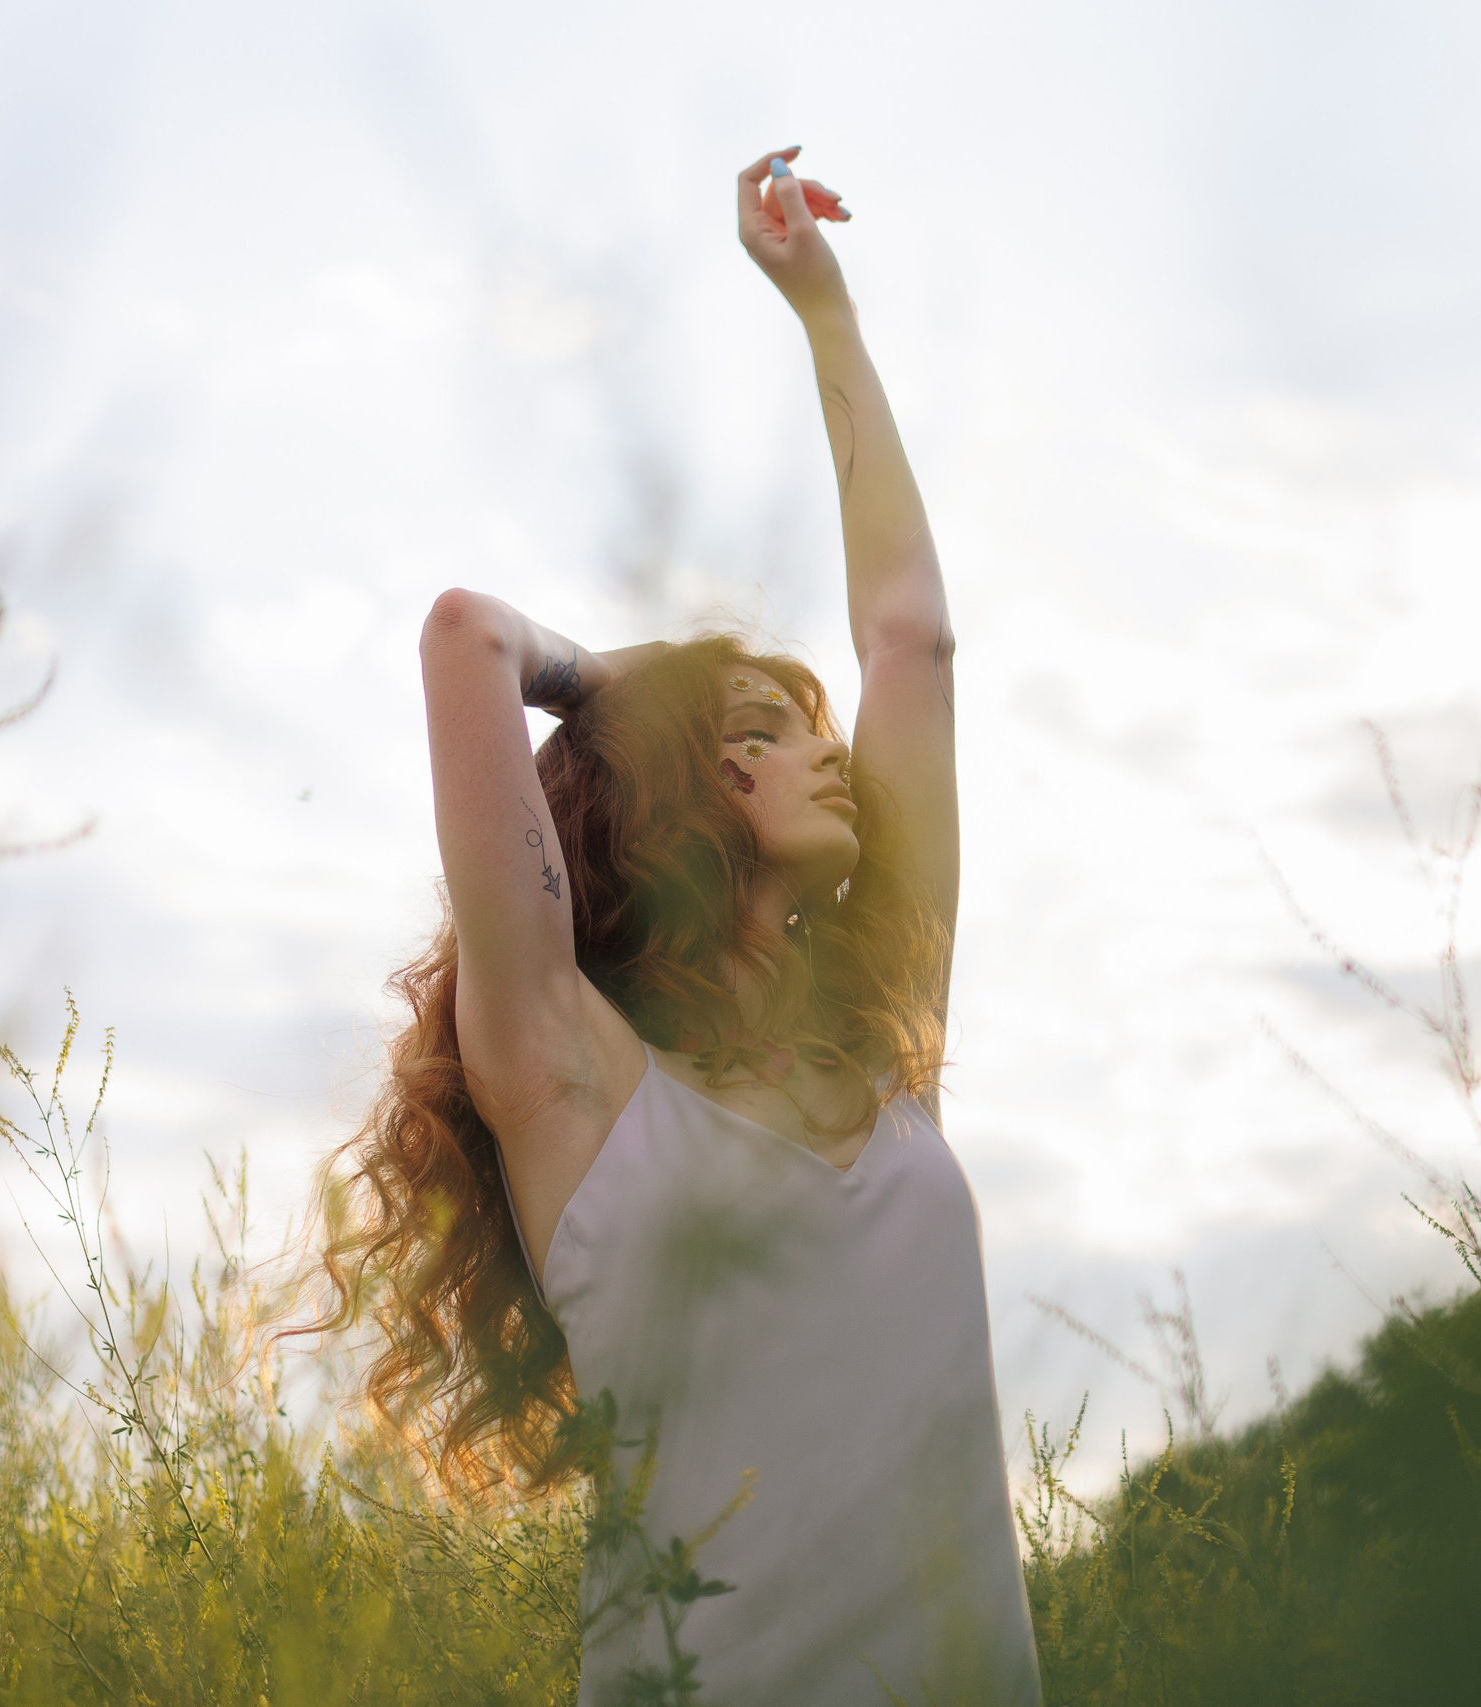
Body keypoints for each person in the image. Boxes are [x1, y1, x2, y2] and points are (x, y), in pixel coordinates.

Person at [315, 148, 1042, 1705]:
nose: (832, 743)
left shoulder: (888, 1034)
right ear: (692, 785)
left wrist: (823, 312)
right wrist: (615, 687)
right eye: (773, 726)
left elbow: (911, 637)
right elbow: (466, 637)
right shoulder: (574, 1090)